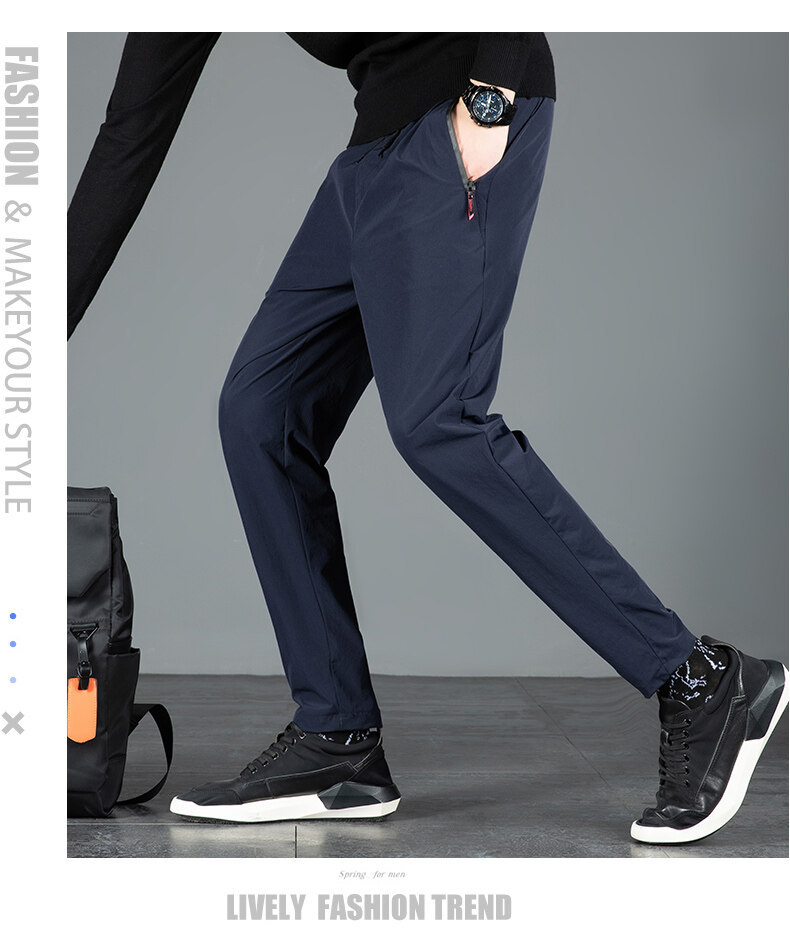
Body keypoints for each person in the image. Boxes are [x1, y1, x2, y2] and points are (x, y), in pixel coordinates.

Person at [68, 32, 788, 843]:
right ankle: (337, 737)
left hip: (464, 110)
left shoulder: (481, 108)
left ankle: (700, 679)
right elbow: (130, 135)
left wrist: (489, 103)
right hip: (372, 154)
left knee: (437, 419)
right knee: (261, 414)